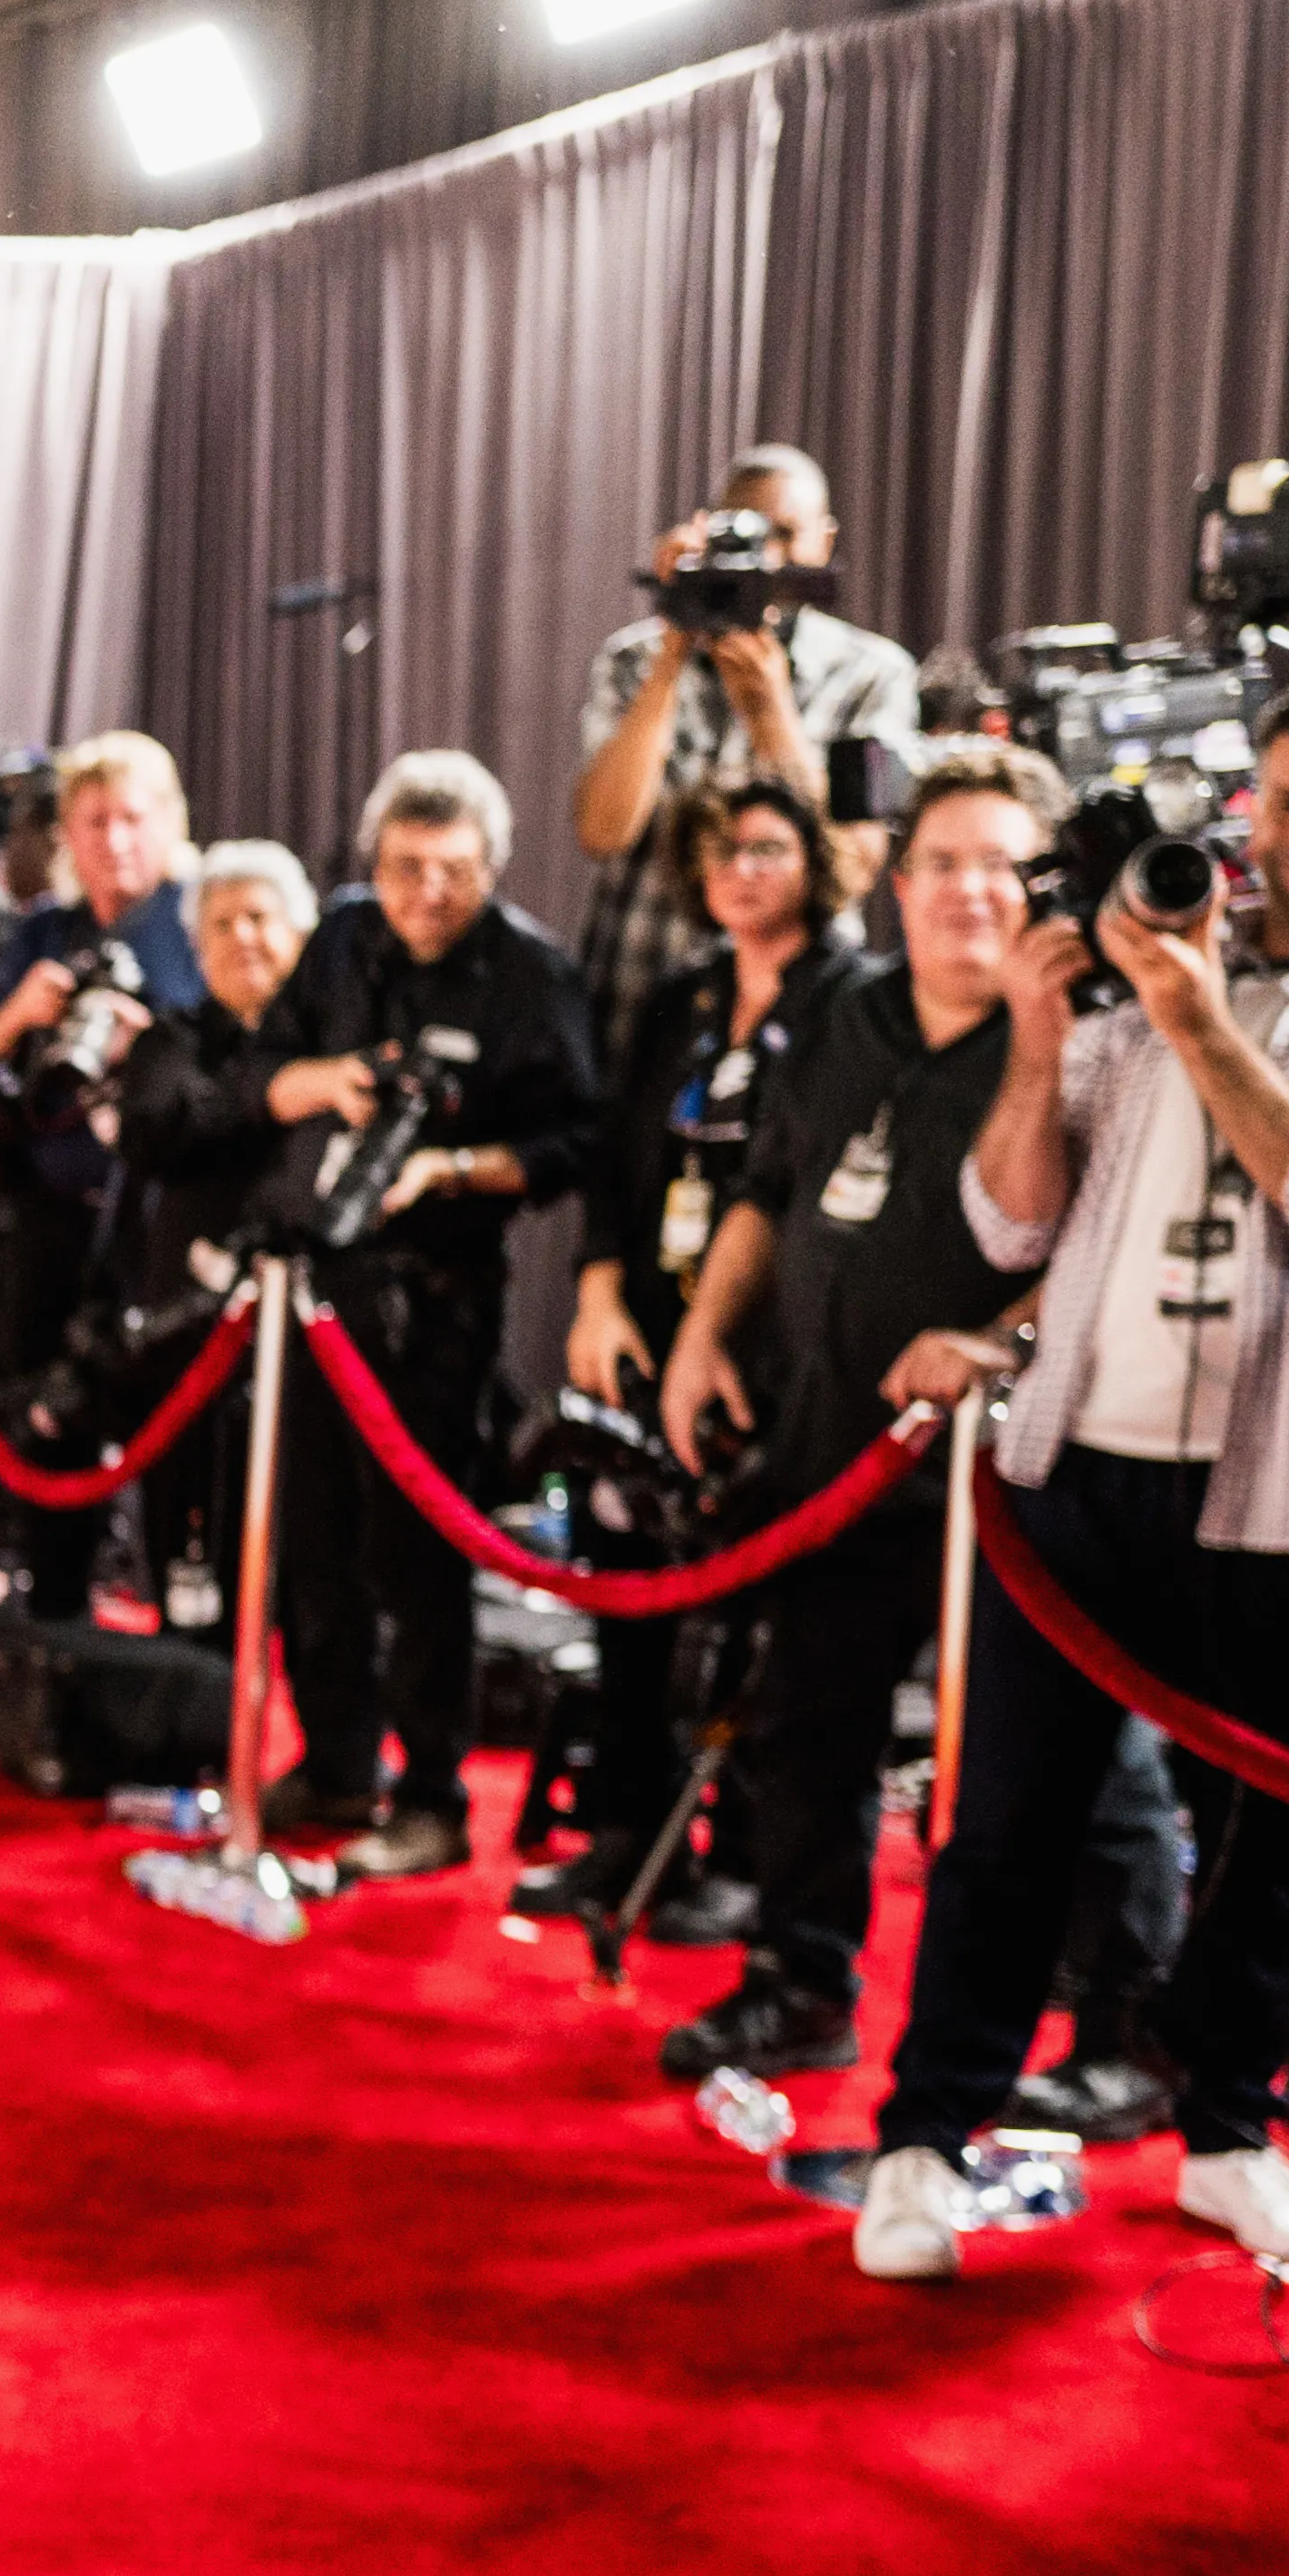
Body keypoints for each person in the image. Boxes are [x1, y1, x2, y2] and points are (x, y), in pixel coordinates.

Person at [835, 676, 1289, 2284]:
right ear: (1245, 815)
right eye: (1284, 802)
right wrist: (1048, 1029)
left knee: (1262, 1840)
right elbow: (1008, 1226)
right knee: (1003, 1819)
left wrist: (1199, 1013)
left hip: (1285, 1495)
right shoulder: (1130, 987)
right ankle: (927, 2135)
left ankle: (1226, 2136)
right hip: (1075, 1474)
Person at [641, 762, 1041, 2081]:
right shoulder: (843, 1014)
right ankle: (801, 1983)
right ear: (896, 880)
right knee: (806, 1727)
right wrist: (704, 1334)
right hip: (831, 1456)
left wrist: (1004, 1338)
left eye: (1002, 865)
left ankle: (1104, 2035)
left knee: (1048, 1774)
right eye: (942, 862)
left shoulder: (1080, 1034)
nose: (969, 892)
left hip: (1009, 1470)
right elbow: (766, 1187)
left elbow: (1103, 1237)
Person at [257, 750, 599, 1879]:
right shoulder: (345, 936)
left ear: (491, 869)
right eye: (407, 868)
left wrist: (457, 1168)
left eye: (453, 872)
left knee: (417, 1560)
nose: (426, 894)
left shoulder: (531, 972)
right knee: (313, 1545)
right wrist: (318, 1084)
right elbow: (270, 1058)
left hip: (438, 1305)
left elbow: (578, 1144)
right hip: (315, 1296)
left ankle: (435, 1793)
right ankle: (336, 1759)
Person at [530, 775, 850, 1930]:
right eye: (721, 853)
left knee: (759, 1613)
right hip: (650, 1328)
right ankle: (624, 1828)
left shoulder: (846, 994)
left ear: (812, 859)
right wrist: (598, 1291)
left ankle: (739, 1857)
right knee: (625, 1582)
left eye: (766, 848)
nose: (742, 872)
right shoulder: (682, 995)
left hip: (775, 1349)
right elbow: (619, 1159)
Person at [0, 729, 208, 1626]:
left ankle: (177, 1638)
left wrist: (145, 1041)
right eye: (94, 820)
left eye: (133, 817)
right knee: (48, 1422)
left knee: (174, 1434)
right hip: (49, 1214)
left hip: (165, 1221)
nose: (115, 838)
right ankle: (54, 1624)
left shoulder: (204, 922)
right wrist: (19, 1014)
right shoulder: (43, 930)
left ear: (170, 823)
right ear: (67, 835)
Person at [567, 442, 923, 1050]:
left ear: (825, 543)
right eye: (751, 535)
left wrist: (770, 710)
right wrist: (672, 649)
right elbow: (603, 832)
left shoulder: (873, 674)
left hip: (799, 1027)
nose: (770, 557)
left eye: (787, 533)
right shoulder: (636, 659)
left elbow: (857, 866)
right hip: (637, 1003)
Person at [100, 837, 310, 1629]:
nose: (242, 937)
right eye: (220, 924)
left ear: (300, 931)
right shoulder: (172, 1039)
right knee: (179, 1511)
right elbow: (157, 1130)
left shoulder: (329, 1038)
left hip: (305, 1335)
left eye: (259, 917)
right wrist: (274, 1099)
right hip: (185, 1321)